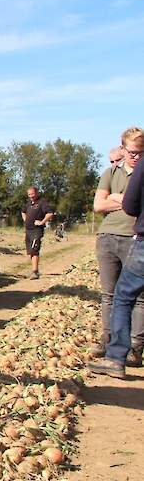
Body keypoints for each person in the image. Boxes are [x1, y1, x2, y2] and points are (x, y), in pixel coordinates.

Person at [89, 148, 144, 379]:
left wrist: (115, 198)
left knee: (125, 296)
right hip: (112, 237)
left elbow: (131, 205)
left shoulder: (141, 167)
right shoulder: (110, 173)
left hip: (139, 240)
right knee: (119, 295)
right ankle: (119, 344)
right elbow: (98, 205)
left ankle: (120, 355)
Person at [21, 187, 54, 279]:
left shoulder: (42, 202)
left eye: (32, 194)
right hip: (28, 230)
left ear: (36, 193)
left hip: (36, 230)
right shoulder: (28, 204)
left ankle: (35, 272)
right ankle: (34, 270)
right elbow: (23, 212)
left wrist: (42, 222)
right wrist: (26, 220)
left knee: (34, 250)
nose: (31, 196)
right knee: (30, 251)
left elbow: (50, 213)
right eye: (29, 194)